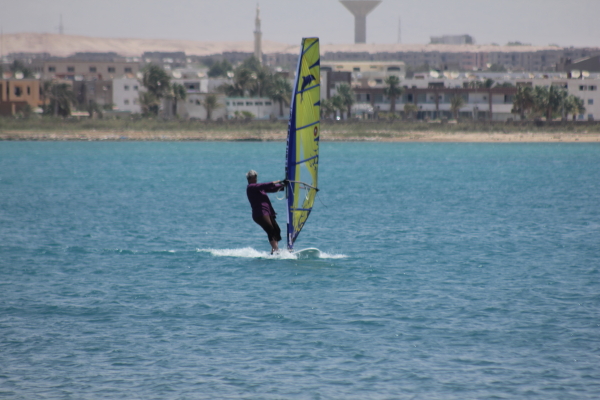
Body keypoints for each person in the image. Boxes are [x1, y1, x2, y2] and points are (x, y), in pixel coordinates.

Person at [246, 170, 285, 254]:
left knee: (277, 230)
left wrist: (284, 185)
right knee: (270, 229)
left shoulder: (260, 189)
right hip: (260, 214)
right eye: (254, 177)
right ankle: (276, 249)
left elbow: (272, 188)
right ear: (249, 179)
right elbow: (263, 185)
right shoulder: (251, 187)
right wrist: (276, 181)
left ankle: (274, 251)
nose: (256, 179)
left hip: (268, 212)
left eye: (256, 177)